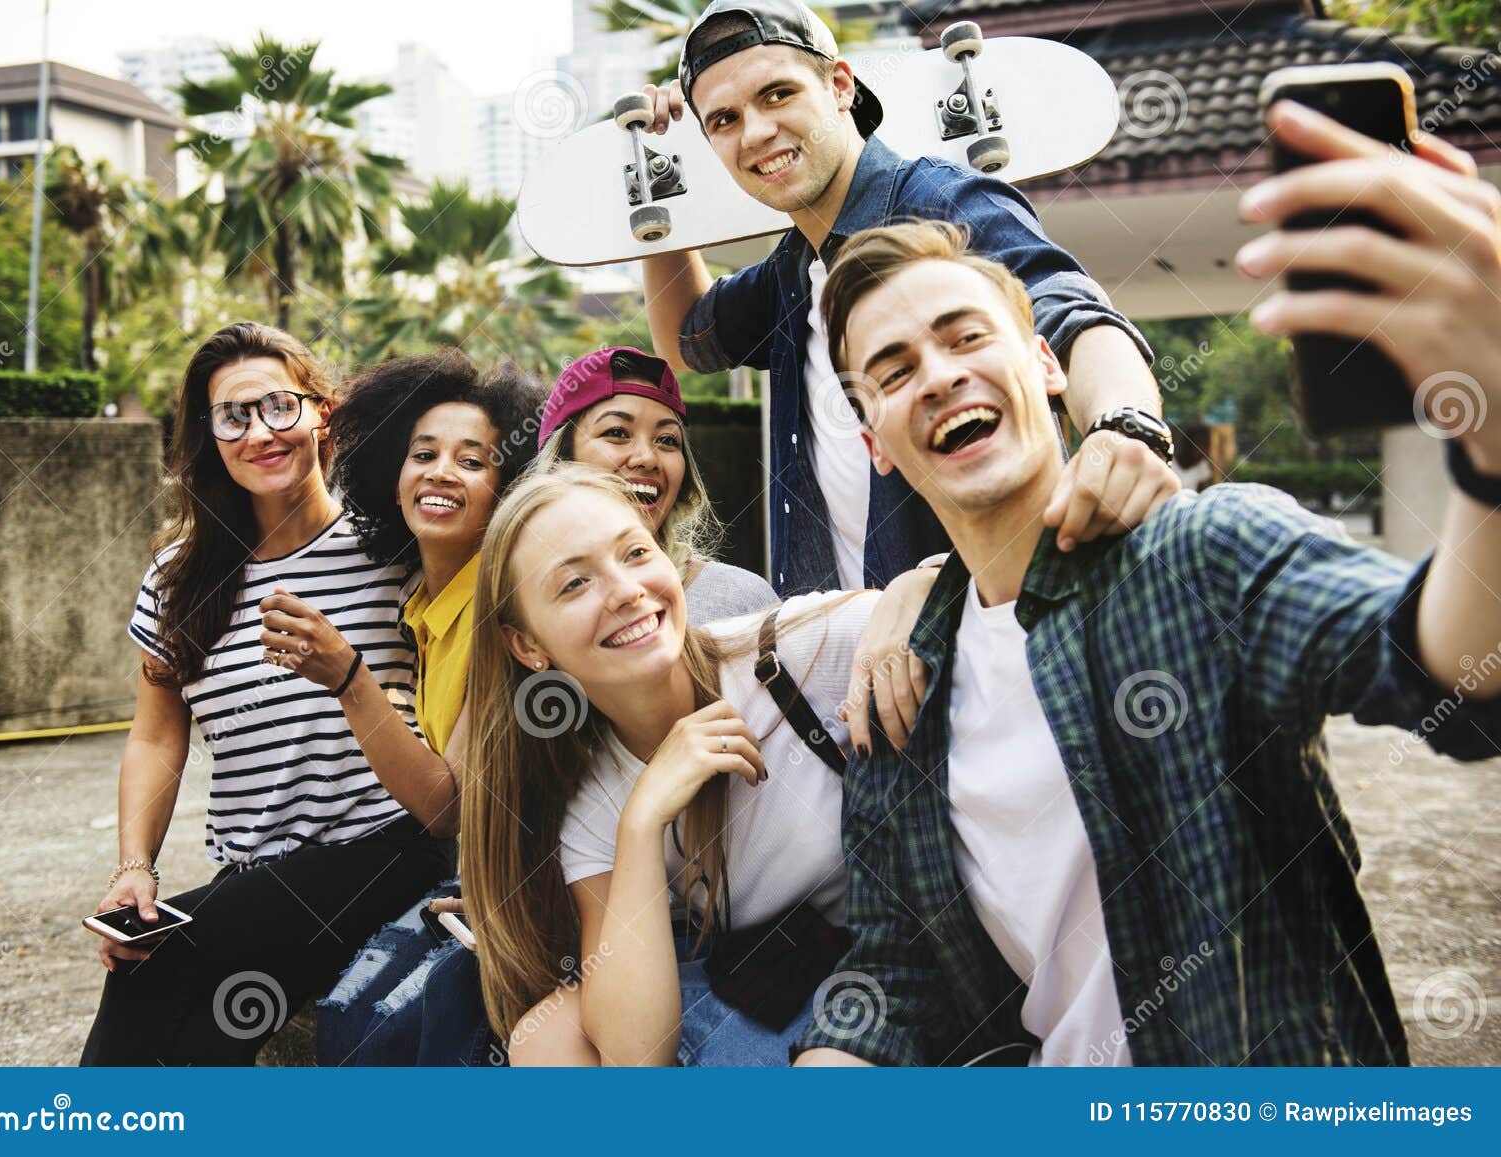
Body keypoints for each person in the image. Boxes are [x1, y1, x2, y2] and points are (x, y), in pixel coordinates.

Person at [793, 103, 1501, 1066]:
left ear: (1045, 363)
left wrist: (1492, 449)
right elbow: (894, 974)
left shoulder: (1201, 554)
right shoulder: (896, 686)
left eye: (965, 338)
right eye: (895, 368)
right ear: (873, 440)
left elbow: (1448, 679)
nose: (938, 377)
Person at [638, 0, 1180, 598]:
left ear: (840, 87)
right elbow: (685, 339)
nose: (757, 133)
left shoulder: (942, 202)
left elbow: (1064, 306)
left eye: (777, 95)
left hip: (989, 630)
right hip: (853, 656)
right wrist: (659, 180)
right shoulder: (792, 270)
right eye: (724, 121)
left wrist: (1123, 427)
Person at [80, 323, 450, 1066]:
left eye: (281, 406)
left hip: (382, 852)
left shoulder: (393, 549)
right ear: (209, 437)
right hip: (255, 879)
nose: (261, 433)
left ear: (324, 412)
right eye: (234, 417)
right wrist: (134, 869)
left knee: (155, 963)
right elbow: (156, 737)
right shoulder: (179, 576)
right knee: (205, 1041)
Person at [459, 465, 879, 1066]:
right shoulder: (591, 792)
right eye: (574, 584)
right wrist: (643, 818)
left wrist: (915, 590)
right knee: (542, 1038)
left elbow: (962, 598)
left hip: (880, 970)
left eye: (634, 553)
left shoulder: (788, 657)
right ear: (529, 647)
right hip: (759, 974)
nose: (626, 591)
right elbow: (635, 1057)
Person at [269, 350, 542, 1067]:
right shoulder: (420, 600)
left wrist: (349, 679)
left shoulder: (502, 605)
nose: (441, 472)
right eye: (423, 453)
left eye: (473, 460)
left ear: (507, 488)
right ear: (393, 476)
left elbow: (446, 805)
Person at [535, 345, 778, 622]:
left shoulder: (740, 600)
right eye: (616, 432)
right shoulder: (519, 601)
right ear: (561, 459)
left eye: (667, 440)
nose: (648, 459)